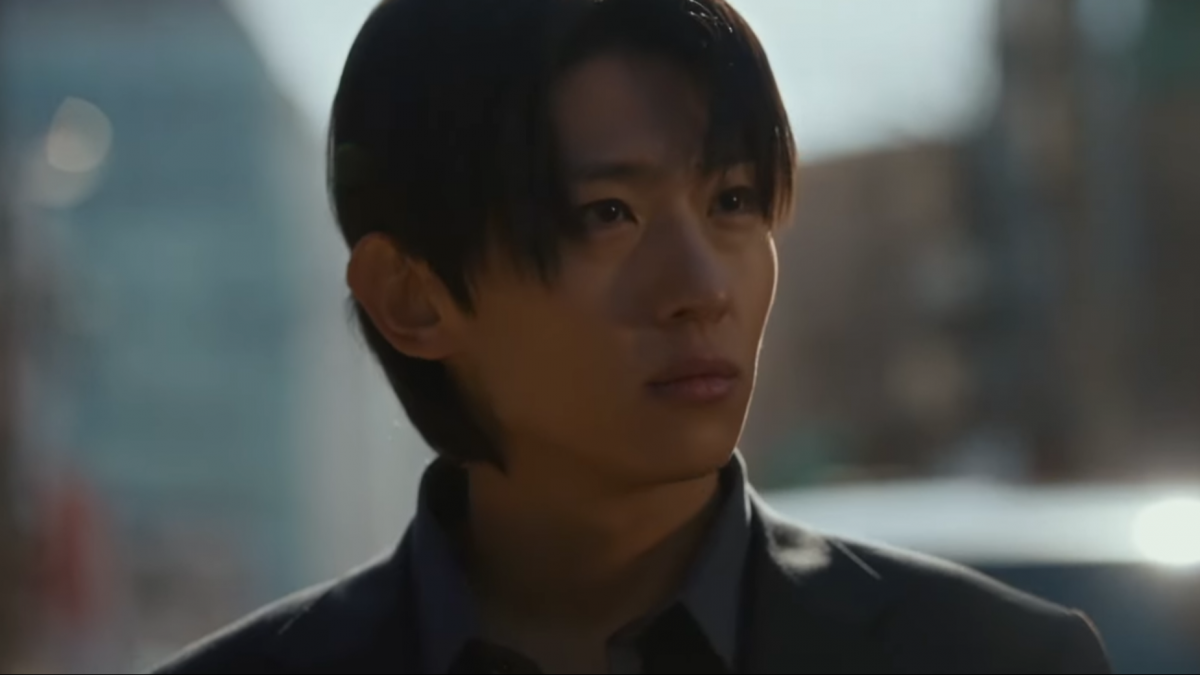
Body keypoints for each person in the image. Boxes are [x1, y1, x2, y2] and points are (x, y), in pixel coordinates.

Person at [155, 1, 1112, 673]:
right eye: (607, 214)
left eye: (732, 201)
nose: (701, 289)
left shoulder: (996, 659)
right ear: (412, 297)